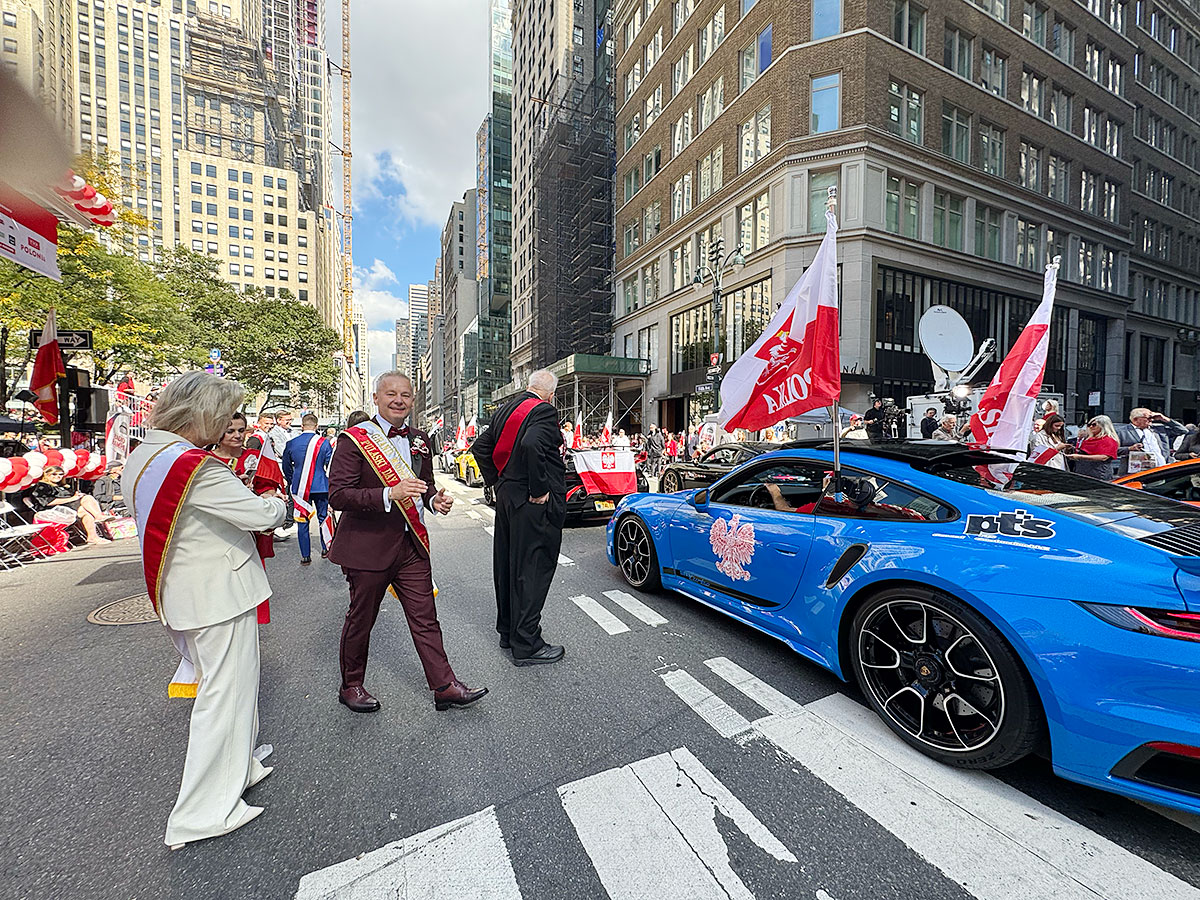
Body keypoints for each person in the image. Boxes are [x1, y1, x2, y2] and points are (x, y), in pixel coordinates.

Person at [122, 372, 287, 850]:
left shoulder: (147, 455)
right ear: (204, 414)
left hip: (189, 590)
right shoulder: (196, 467)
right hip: (217, 592)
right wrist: (275, 502)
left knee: (233, 689)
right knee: (224, 695)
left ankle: (239, 769)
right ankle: (202, 812)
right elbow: (260, 516)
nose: (227, 424)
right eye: (224, 414)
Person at [327, 372, 486, 713]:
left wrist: (434, 500)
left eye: (405, 395)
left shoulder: (420, 438)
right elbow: (339, 495)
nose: (398, 400)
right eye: (391, 394)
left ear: (413, 400)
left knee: (426, 617)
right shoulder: (355, 439)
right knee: (361, 620)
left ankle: (444, 686)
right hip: (368, 547)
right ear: (376, 398)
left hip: (411, 545)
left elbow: (424, 484)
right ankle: (351, 685)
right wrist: (389, 493)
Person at [472, 368, 567, 666]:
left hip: (508, 498)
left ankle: (508, 632)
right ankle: (526, 644)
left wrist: (498, 482)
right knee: (532, 568)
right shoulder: (544, 411)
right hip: (532, 502)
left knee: (507, 565)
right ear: (551, 395)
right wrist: (539, 489)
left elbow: (480, 447)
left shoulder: (506, 408)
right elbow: (531, 444)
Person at [282, 414, 333, 566]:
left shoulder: (291, 443)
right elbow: (330, 465)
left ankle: (305, 555)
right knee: (323, 517)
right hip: (321, 485)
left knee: (302, 519)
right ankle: (326, 548)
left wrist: (292, 480)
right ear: (316, 426)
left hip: (300, 486)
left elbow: (286, 466)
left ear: (302, 426)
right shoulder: (324, 442)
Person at [29, 465, 107, 543]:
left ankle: (93, 535)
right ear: (47, 475)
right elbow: (47, 502)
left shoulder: (63, 486)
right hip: (52, 510)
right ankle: (99, 517)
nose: (58, 476)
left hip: (70, 507)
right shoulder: (42, 486)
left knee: (85, 506)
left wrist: (77, 495)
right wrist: (72, 498)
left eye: (60, 474)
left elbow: (72, 497)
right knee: (86, 501)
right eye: (54, 474)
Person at [1116, 407, 1186, 473]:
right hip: (1135, 471)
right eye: (1148, 418)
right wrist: (1129, 449)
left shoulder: (1158, 429)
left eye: (1152, 418)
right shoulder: (1122, 432)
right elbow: (1114, 450)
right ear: (1135, 420)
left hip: (1161, 468)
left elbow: (1183, 430)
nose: (1151, 420)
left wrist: (1164, 418)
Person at [1067, 415, 1120, 480]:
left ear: (1103, 426)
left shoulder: (1109, 440)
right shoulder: (1088, 439)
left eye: (1094, 425)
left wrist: (1079, 456)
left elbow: (1104, 457)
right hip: (1082, 472)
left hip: (1099, 473)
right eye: (1089, 425)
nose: (1091, 427)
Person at [211, 412, 249, 480]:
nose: (237, 436)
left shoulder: (256, 456)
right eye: (230, 431)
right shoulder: (206, 459)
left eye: (241, 431)